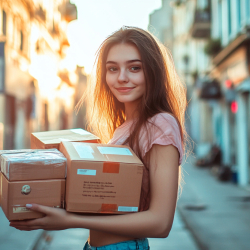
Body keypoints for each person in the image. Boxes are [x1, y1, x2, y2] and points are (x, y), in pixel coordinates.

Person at [10, 26, 189, 250]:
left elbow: (160, 223)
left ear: (153, 71)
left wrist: (69, 221)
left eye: (134, 68)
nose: (122, 78)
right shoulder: (124, 128)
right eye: (112, 69)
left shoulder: (160, 124)